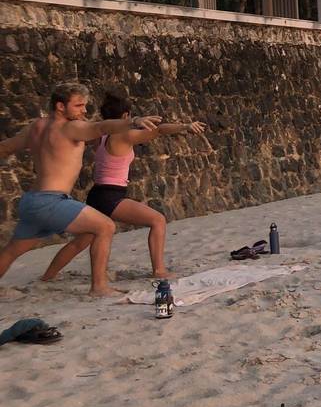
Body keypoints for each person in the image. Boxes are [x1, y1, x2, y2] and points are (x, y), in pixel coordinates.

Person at [0, 83, 161, 297]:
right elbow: (100, 128)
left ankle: (58, 276)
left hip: (32, 201)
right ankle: (99, 287)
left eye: (84, 106)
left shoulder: (36, 126)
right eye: (78, 106)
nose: (84, 111)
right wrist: (131, 121)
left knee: (12, 250)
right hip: (51, 201)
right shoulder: (70, 127)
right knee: (105, 227)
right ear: (60, 106)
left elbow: (5, 147)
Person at [39, 93, 207, 281]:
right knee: (157, 220)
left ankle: (48, 275)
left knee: (83, 240)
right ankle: (159, 270)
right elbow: (159, 130)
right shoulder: (124, 135)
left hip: (97, 194)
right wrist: (185, 126)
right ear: (126, 116)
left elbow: (89, 123)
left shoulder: (100, 136)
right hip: (111, 196)